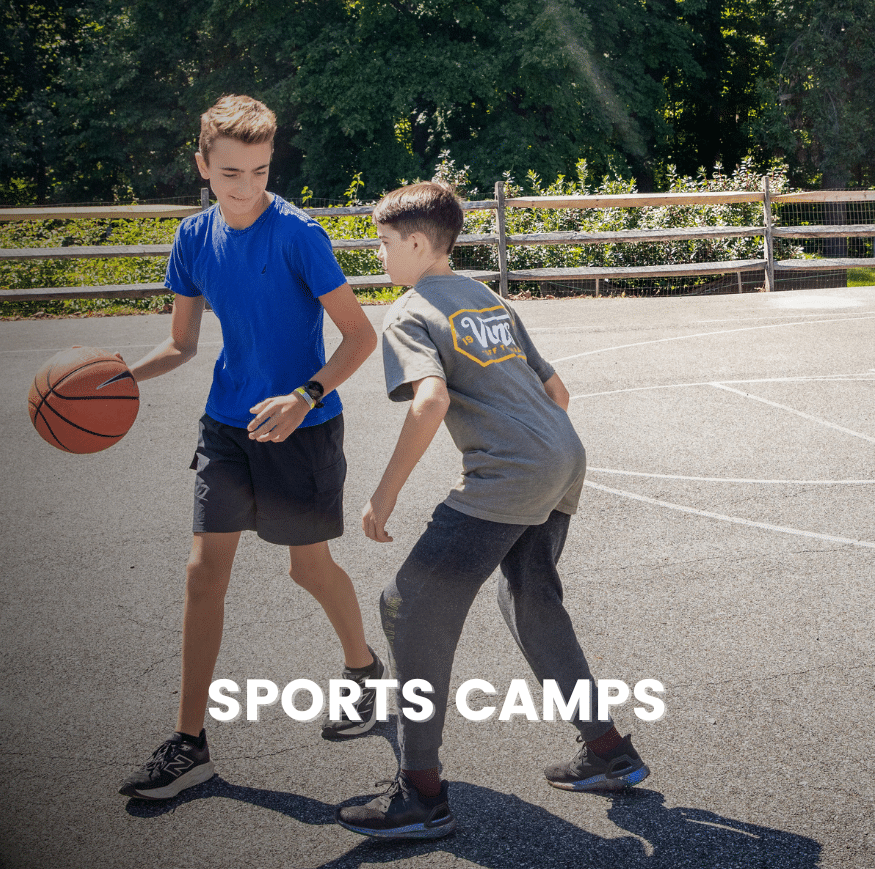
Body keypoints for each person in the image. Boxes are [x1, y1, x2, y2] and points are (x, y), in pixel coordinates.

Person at [335, 181, 650, 840]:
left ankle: (421, 793)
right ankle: (607, 749)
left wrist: (384, 491)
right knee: (527, 597)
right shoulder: (487, 297)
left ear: (418, 243)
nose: (379, 255)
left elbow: (429, 402)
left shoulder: (410, 310)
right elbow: (555, 391)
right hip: (563, 455)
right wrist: (523, 460)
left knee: (407, 603)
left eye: (385, 243)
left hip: (513, 473)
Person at [117, 95, 384, 801]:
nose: (246, 186)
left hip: (301, 424)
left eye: (260, 170)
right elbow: (181, 344)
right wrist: (116, 377)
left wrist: (306, 395)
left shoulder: (298, 234)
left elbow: (361, 337)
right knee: (204, 571)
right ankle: (189, 741)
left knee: (308, 569)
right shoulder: (193, 237)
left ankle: (363, 672)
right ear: (202, 163)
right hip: (226, 425)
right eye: (231, 171)